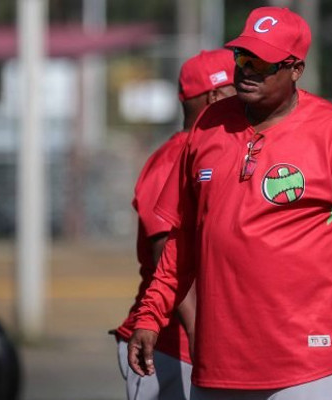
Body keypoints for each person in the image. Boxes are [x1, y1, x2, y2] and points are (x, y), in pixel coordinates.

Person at [129, 6, 332, 400]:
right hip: (219, 364)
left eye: (262, 62)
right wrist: (151, 314)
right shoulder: (208, 126)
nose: (247, 69)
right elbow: (182, 241)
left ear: (295, 69)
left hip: (311, 364)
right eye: (242, 57)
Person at [111, 48, 236, 400]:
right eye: (236, 88)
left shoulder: (212, 151)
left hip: (203, 347)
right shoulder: (175, 157)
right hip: (168, 346)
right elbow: (165, 249)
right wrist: (200, 335)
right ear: (215, 95)